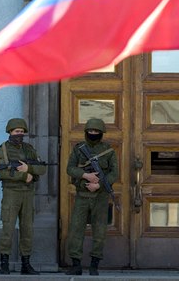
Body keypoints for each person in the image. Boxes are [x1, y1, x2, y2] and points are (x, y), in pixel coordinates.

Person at [65, 118, 118, 276]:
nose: (93, 134)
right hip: (82, 196)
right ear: (86, 132)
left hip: (100, 197)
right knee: (76, 229)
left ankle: (94, 265)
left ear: (101, 133)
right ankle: (76, 265)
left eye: (96, 132)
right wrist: (86, 175)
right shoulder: (79, 149)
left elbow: (114, 173)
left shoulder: (109, 151)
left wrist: (99, 184)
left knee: (100, 230)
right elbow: (70, 169)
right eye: (91, 131)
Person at [0, 118, 47, 275]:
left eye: (22, 131)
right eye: (16, 131)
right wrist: (24, 176)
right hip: (11, 193)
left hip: (28, 194)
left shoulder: (29, 149)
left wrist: (28, 168)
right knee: (8, 228)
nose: (20, 134)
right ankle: (4, 263)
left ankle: (26, 264)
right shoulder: (3, 149)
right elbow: (2, 172)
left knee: (27, 229)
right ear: (10, 132)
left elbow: (41, 169)